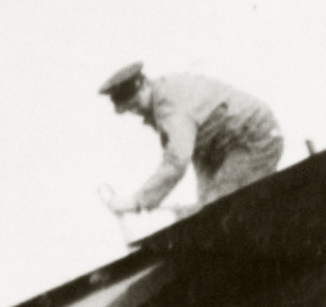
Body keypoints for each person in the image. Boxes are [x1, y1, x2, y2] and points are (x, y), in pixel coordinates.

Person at [100, 64, 284, 216]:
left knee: (220, 207)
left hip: (251, 138)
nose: (135, 111)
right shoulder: (157, 99)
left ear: (145, 85)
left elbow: (177, 161)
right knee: (206, 211)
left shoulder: (170, 105)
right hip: (215, 148)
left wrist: (139, 200)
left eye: (135, 103)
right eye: (129, 109)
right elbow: (183, 149)